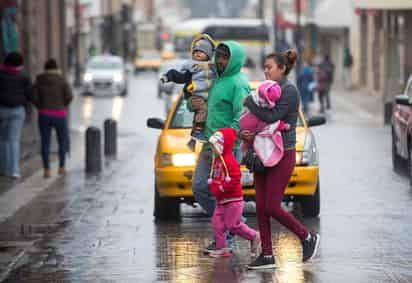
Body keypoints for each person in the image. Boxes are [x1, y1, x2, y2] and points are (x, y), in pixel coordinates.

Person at [242, 49, 320, 269]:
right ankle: (267, 255)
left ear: (282, 68)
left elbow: (271, 116)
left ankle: (307, 237)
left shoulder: (289, 91)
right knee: (260, 207)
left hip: (281, 155)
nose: (266, 71)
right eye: (265, 67)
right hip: (260, 155)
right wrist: (245, 134)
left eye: (269, 67)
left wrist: (250, 102)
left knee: (272, 206)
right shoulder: (264, 91)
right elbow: (256, 122)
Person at [189, 41, 250, 254]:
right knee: (199, 188)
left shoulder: (238, 83)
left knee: (224, 193)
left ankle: (227, 237)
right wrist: (192, 104)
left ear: (234, 60)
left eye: (226, 58)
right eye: (220, 57)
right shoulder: (214, 79)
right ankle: (234, 223)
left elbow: (240, 117)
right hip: (209, 144)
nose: (221, 61)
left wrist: (225, 139)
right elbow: (198, 102)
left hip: (227, 148)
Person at [207, 128, 260, 258]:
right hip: (221, 200)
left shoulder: (230, 161)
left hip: (233, 200)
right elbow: (215, 177)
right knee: (217, 224)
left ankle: (254, 236)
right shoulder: (217, 161)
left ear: (222, 147)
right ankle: (222, 248)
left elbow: (235, 178)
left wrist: (222, 188)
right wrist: (214, 187)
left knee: (233, 225)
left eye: (215, 146)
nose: (212, 149)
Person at [160, 34, 216, 151]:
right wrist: (168, 76)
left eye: (202, 52)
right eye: (196, 52)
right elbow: (180, 76)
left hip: (208, 97)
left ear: (209, 54)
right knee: (203, 110)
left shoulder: (212, 67)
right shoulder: (192, 66)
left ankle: (193, 139)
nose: (198, 54)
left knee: (204, 113)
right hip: (195, 96)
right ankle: (196, 134)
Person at [31, 59, 73, 178]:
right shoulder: (62, 79)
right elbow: (69, 96)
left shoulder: (39, 79)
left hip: (44, 114)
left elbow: (32, 94)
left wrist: (39, 105)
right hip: (60, 114)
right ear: (56, 68)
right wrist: (63, 105)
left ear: (45, 68)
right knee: (62, 141)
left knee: (45, 142)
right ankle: (61, 167)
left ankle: (47, 170)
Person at [239, 80, 290, 167]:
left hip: (245, 132)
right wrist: (283, 126)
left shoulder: (250, 100)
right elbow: (273, 123)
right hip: (247, 134)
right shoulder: (265, 112)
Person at [0, 52, 32, 179]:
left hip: (2, 109)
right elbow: (29, 94)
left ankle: (3, 168)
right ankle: (14, 171)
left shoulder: (0, 74)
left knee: (3, 139)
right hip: (18, 110)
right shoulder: (24, 75)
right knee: (14, 140)